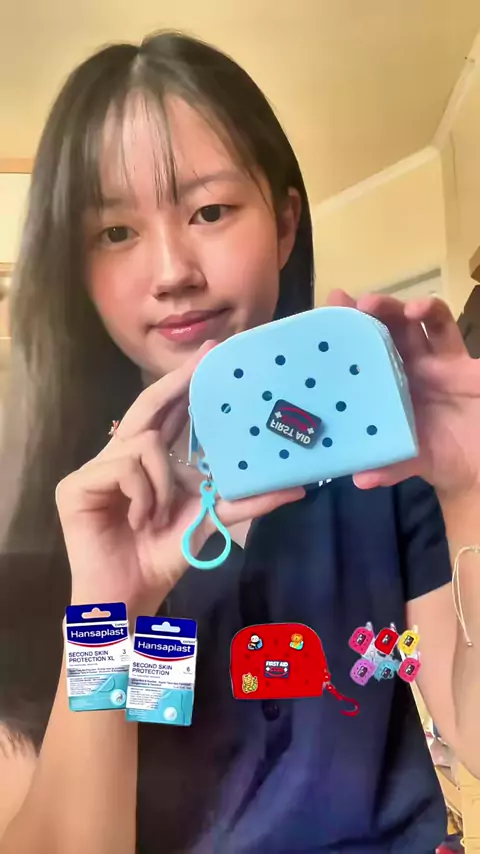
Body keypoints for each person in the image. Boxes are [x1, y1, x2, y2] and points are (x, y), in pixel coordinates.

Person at [0, 29, 479, 854]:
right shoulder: (53, 524)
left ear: (285, 224)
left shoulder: (385, 473)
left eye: (210, 211)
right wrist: (110, 607)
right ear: (76, 271)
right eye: (115, 232)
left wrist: (470, 488)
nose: (172, 271)